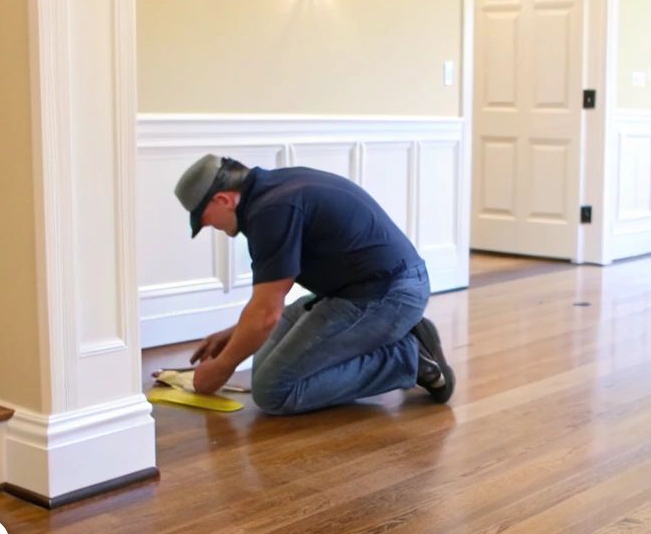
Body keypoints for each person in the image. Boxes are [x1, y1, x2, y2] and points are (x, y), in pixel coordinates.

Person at [173, 154, 456, 415]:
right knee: (262, 368)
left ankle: (408, 358)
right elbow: (267, 305)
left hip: (388, 295)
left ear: (223, 200)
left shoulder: (270, 212)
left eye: (204, 219)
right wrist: (236, 334)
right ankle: (394, 337)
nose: (209, 226)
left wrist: (221, 369)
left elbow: (266, 315)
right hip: (355, 292)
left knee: (273, 391)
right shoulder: (274, 190)